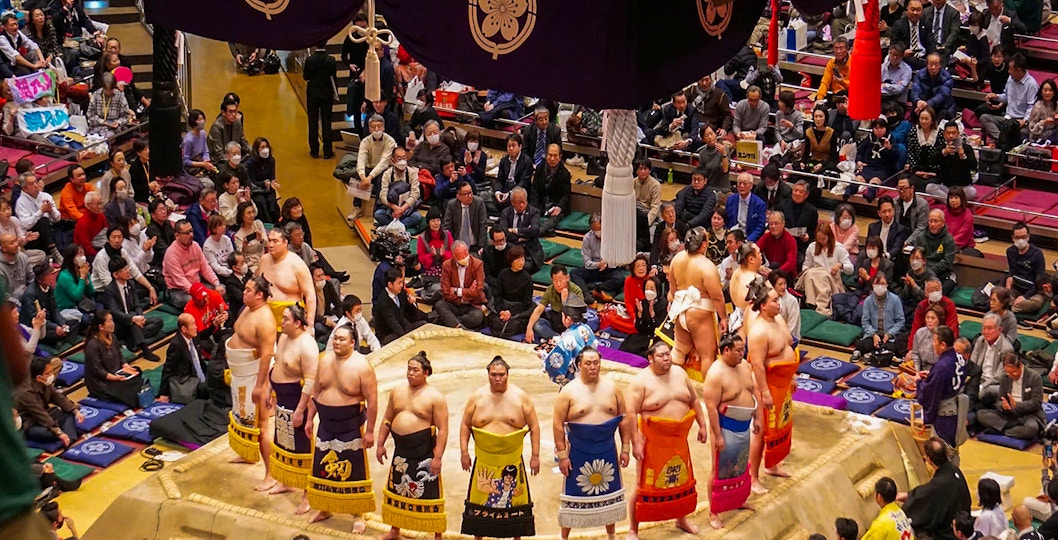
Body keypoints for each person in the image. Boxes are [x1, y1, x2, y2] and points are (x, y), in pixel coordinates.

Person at [626, 342, 708, 539]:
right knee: (641, 484)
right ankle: (632, 529)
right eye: (661, 355)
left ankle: (681, 519)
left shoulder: (680, 374)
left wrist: (702, 425)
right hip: (652, 442)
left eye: (668, 354)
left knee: (680, 480)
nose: (667, 358)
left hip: (679, 440)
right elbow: (630, 414)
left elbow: (694, 400)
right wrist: (635, 442)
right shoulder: (642, 382)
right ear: (651, 358)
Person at [303, 323, 377, 531]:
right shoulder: (324, 361)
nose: (337, 342)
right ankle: (326, 507)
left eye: (342, 339)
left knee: (353, 471)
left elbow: (372, 401)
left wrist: (370, 431)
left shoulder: (362, 366)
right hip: (326, 424)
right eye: (335, 338)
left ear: (353, 343)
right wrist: (310, 419)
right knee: (322, 468)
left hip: (350, 426)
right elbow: (316, 393)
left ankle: (357, 514)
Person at [553, 348, 631, 540]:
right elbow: (557, 424)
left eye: (596, 362)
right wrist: (562, 456)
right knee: (571, 496)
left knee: (609, 497)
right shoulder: (568, 391)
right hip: (579, 450)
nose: (593, 367)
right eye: (588, 363)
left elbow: (625, 419)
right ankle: (564, 538)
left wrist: (626, 449)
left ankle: (611, 536)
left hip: (607, 448)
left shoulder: (613, 388)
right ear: (579, 365)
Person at [460, 357, 540, 540]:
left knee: (516, 504)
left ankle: (516, 537)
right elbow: (465, 425)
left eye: (501, 375)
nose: (497, 378)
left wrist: (535, 456)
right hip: (484, 461)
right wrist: (464, 452)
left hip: (512, 461)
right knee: (480, 503)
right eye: (493, 375)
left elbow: (534, 427)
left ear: (508, 375)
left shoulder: (520, 397)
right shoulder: (477, 397)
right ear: (488, 375)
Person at [376, 352, 449, 540]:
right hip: (401, 452)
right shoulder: (397, 391)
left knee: (430, 494)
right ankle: (395, 530)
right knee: (397, 490)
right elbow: (387, 418)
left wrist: (438, 457)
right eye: (409, 369)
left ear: (426, 373)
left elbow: (443, 430)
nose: (410, 373)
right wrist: (380, 443)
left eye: (415, 370)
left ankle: (437, 536)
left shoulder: (435, 397)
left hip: (424, 452)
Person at [262, 305, 318, 515]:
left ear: (297, 323)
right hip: (281, 397)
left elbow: (311, 381)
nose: (282, 321)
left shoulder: (307, 345)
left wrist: (301, 410)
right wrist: (268, 388)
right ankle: (286, 481)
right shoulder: (284, 337)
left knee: (302, 448)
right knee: (283, 442)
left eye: (286, 319)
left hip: (296, 399)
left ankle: (308, 494)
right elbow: (277, 365)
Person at [703, 333, 762, 529]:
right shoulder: (715, 373)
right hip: (725, 427)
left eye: (742, 349)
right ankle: (713, 512)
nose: (741, 353)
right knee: (719, 470)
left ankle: (738, 500)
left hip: (745, 426)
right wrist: (718, 436)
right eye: (738, 350)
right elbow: (711, 407)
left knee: (740, 466)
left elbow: (754, 391)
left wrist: (758, 417)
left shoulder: (744, 366)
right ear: (726, 350)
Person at [744, 278, 798, 489]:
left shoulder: (779, 321)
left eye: (778, 299)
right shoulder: (758, 331)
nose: (779, 303)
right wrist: (764, 392)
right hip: (765, 385)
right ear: (763, 305)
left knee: (781, 424)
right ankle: (753, 477)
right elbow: (757, 365)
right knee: (760, 432)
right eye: (774, 300)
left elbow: (788, 347)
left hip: (782, 384)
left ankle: (772, 465)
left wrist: (792, 374)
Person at [226, 277, 278, 487]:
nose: (243, 292)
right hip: (240, 375)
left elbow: (267, 356)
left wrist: (260, 386)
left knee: (262, 426)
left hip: (255, 376)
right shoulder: (248, 309)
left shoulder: (265, 320)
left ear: (259, 295)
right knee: (241, 418)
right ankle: (247, 454)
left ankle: (271, 475)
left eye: (248, 290)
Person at [901, 436, 972, 539]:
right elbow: (926, 491)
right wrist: (909, 495)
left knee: (915, 527)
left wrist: (909, 498)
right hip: (961, 524)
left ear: (929, 459)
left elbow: (925, 494)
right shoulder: (954, 469)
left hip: (949, 533)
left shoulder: (938, 484)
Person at [915, 326, 968, 449]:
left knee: (943, 451)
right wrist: (932, 376)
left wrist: (919, 382)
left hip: (944, 414)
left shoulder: (941, 366)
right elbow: (955, 374)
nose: (933, 344)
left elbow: (930, 393)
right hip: (958, 409)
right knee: (952, 448)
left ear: (943, 345)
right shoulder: (959, 357)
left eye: (934, 341)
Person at [101, 256, 163, 361]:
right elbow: (115, 313)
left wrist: (140, 317)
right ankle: (144, 349)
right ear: (115, 274)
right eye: (124, 270)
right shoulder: (110, 290)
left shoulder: (131, 283)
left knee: (158, 321)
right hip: (120, 324)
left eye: (127, 268)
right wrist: (133, 319)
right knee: (134, 324)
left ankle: (132, 340)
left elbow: (137, 305)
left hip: (133, 318)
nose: (128, 271)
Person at [258, 228, 316, 332]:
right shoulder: (263, 260)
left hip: (291, 320)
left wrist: (310, 324)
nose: (270, 245)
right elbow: (256, 286)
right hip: (265, 318)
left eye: (275, 241)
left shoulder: (297, 264)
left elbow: (310, 295)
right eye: (269, 240)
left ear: (285, 242)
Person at [15, 356, 81, 447]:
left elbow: (58, 397)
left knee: (70, 414)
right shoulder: (25, 392)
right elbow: (40, 414)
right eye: (48, 373)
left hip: (47, 414)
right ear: (39, 377)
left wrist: (75, 411)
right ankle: (69, 435)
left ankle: (70, 440)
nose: (52, 374)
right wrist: (59, 432)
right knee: (48, 433)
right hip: (30, 423)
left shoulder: (45, 382)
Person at [976, 353, 1045, 440]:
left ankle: (1001, 430)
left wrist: (1017, 405)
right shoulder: (1005, 377)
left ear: (1020, 366)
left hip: (1028, 413)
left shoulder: (1034, 377)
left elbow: (1036, 403)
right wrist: (1003, 406)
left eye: (1014, 372)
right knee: (980, 414)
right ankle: (1011, 427)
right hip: (1008, 413)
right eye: (1008, 373)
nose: (1011, 375)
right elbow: (999, 400)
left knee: (1031, 429)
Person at [83, 310, 142, 409]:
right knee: (129, 391)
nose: (113, 324)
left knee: (137, 372)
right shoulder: (93, 345)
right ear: (101, 327)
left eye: (112, 320)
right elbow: (97, 370)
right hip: (102, 382)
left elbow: (120, 355)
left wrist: (127, 367)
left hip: (117, 373)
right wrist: (114, 378)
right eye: (110, 321)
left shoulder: (113, 337)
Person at [981, 53, 1038, 147]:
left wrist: (1025, 121)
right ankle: (1002, 140)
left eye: (1011, 69)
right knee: (985, 118)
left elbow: (1031, 107)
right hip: (1007, 119)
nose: (1009, 71)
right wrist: (996, 96)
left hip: (1020, 122)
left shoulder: (1032, 85)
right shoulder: (1010, 79)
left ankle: (1003, 140)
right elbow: (1006, 96)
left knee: (1023, 133)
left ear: (1018, 70)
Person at [163, 220, 223, 308]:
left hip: (197, 285)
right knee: (196, 301)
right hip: (178, 290)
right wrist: (199, 293)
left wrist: (216, 283)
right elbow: (180, 281)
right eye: (187, 233)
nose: (191, 235)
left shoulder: (195, 245)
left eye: (191, 231)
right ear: (177, 235)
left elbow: (205, 267)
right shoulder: (171, 254)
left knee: (220, 290)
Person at [349, 115, 397, 221]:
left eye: (379, 126)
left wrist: (369, 178)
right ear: (369, 128)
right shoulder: (365, 141)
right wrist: (363, 177)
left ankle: (378, 212)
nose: (376, 129)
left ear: (383, 127)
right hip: (369, 168)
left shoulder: (390, 141)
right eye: (373, 127)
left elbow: (384, 162)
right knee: (357, 175)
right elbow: (361, 160)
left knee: (382, 179)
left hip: (384, 170)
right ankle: (357, 207)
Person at [569, 213, 624, 302]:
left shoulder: (613, 236)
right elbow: (587, 263)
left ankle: (596, 288)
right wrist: (598, 264)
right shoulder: (587, 238)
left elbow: (618, 258)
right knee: (574, 273)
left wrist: (607, 263)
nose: (598, 232)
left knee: (620, 279)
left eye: (599, 229)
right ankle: (587, 294)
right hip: (594, 269)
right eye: (595, 229)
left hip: (609, 269)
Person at [157, 313, 208, 404]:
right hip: (187, 381)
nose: (196, 327)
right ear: (184, 329)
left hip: (200, 375)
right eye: (192, 324)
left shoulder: (195, 337)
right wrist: (163, 393)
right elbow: (168, 369)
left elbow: (199, 361)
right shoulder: (176, 345)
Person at [18, 262, 72, 348]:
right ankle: (59, 339)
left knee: (73, 323)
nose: (51, 277)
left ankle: (61, 337)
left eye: (51, 274)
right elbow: (36, 318)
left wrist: (62, 324)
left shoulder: (49, 288)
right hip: (35, 326)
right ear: (40, 279)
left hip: (49, 320)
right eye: (48, 275)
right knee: (53, 333)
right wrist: (55, 327)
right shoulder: (30, 294)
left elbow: (55, 309)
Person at [525, 264, 584, 343]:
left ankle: (553, 338)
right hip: (555, 318)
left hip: (571, 319)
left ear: (567, 278)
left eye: (561, 280)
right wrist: (529, 328)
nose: (558, 284)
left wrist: (564, 300)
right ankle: (557, 338)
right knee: (538, 324)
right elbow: (539, 309)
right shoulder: (550, 289)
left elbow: (577, 314)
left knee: (579, 331)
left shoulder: (576, 290)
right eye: (555, 281)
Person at [435, 241, 486, 330]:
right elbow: (446, 292)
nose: (464, 257)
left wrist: (456, 291)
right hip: (453, 303)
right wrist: (468, 292)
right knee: (440, 305)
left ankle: (448, 322)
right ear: (454, 256)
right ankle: (460, 327)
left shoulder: (478, 264)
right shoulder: (447, 265)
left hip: (471, 305)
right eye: (460, 255)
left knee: (478, 317)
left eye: (465, 252)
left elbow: (477, 291)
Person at [855, 274, 906, 357]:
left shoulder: (895, 299)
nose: (880, 287)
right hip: (873, 336)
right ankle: (873, 352)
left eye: (882, 284)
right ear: (872, 285)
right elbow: (865, 322)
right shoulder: (868, 301)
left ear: (887, 285)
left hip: (890, 336)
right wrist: (873, 334)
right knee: (864, 345)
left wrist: (890, 334)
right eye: (877, 284)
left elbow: (900, 321)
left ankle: (873, 353)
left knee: (893, 348)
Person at [14, 172, 61, 262]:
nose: (36, 185)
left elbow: (57, 219)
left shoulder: (46, 196)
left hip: (48, 232)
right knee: (43, 220)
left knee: (55, 227)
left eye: (36, 182)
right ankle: (53, 252)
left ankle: (54, 253)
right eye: (31, 184)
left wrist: (51, 210)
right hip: (32, 236)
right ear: (24, 189)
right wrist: (41, 211)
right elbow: (26, 225)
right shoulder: (20, 203)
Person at [374, 267, 428, 344]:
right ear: (390, 284)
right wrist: (407, 339)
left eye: (402, 282)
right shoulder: (383, 302)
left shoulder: (401, 293)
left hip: (402, 327)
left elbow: (412, 315)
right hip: (387, 335)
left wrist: (412, 303)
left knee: (423, 324)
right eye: (399, 283)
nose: (401, 285)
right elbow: (393, 323)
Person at [302, 43, 337, 159]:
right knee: (327, 122)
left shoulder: (309, 60)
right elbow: (334, 77)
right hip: (327, 93)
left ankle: (314, 150)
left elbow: (306, 77)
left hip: (313, 93)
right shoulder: (331, 60)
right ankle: (327, 151)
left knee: (313, 122)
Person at [375, 147, 423, 230]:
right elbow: (383, 195)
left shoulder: (412, 173)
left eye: (404, 158)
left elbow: (415, 194)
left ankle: (392, 227)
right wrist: (394, 208)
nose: (402, 161)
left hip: (406, 208)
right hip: (391, 208)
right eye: (399, 158)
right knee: (378, 214)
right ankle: (397, 226)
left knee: (417, 217)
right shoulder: (387, 174)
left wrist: (402, 209)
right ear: (393, 160)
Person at [499, 187, 545, 273]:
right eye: (518, 202)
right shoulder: (506, 212)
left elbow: (534, 230)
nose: (521, 205)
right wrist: (519, 238)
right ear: (512, 202)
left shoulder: (534, 212)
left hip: (528, 250)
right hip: (511, 248)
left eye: (523, 201)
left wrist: (515, 230)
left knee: (525, 267)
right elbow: (504, 231)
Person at [1007, 222, 1047, 315]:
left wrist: (1025, 297)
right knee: (998, 294)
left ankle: (1009, 308)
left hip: (1034, 291)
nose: (1021, 240)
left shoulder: (1037, 254)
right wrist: (1008, 282)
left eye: (1024, 237)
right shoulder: (1010, 251)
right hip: (1016, 288)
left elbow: (1039, 282)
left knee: (1036, 302)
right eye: (1017, 237)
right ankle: (1013, 307)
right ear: (1013, 238)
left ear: (1028, 237)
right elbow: (1011, 272)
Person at [531, 144, 571, 237]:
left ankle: (543, 230)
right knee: (530, 219)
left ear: (560, 156)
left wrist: (559, 207)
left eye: (555, 155)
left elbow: (566, 195)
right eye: (550, 155)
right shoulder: (540, 168)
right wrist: (534, 206)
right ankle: (546, 231)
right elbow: (535, 189)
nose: (552, 158)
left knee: (543, 228)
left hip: (556, 207)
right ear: (546, 155)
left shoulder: (565, 173)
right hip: (541, 204)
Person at [491, 133, 533, 216]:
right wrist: (498, 192)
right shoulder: (504, 160)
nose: (511, 148)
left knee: (512, 202)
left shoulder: (527, 161)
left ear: (520, 146)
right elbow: (499, 179)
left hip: (518, 190)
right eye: (509, 146)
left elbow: (523, 183)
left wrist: (510, 193)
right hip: (505, 189)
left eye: (513, 146)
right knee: (486, 197)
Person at [445, 181, 489, 255]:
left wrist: (481, 246)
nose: (470, 196)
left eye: (471, 192)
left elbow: (483, 225)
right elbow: (447, 227)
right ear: (458, 196)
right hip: (457, 245)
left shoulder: (479, 203)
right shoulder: (452, 205)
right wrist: (450, 245)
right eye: (466, 194)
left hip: (475, 245)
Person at [725, 173, 767, 242]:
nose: (741, 186)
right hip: (732, 237)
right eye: (739, 183)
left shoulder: (759, 204)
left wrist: (748, 241)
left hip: (749, 238)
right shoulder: (730, 199)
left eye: (745, 183)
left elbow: (760, 227)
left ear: (751, 186)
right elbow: (725, 220)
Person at [208, 98, 250, 164]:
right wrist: (233, 163)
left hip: (236, 158)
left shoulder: (237, 123)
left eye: (235, 111)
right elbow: (219, 154)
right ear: (223, 113)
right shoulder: (216, 127)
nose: (233, 114)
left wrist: (256, 153)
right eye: (230, 112)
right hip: (221, 161)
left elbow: (244, 144)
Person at [632, 158, 662, 251]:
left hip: (649, 214)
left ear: (649, 170)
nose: (643, 172)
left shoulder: (655, 185)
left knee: (652, 236)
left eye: (645, 169)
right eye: (640, 169)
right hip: (635, 212)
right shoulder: (632, 182)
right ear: (636, 171)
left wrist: (646, 223)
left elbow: (655, 207)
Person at [907, 304, 946, 373]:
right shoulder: (920, 333)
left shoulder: (945, 335)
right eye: (927, 318)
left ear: (939, 320)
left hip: (939, 372)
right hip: (922, 370)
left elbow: (946, 361)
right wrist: (917, 372)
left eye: (933, 318)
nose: (929, 321)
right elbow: (916, 355)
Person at [757, 211, 798, 277]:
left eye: (776, 223)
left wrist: (775, 272)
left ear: (783, 223)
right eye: (770, 224)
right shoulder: (767, 237)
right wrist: (758, 266)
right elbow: (754, 250)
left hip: (785, 274)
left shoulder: (790, 240)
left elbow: (791, 263)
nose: (773, 226)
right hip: (770, 270)